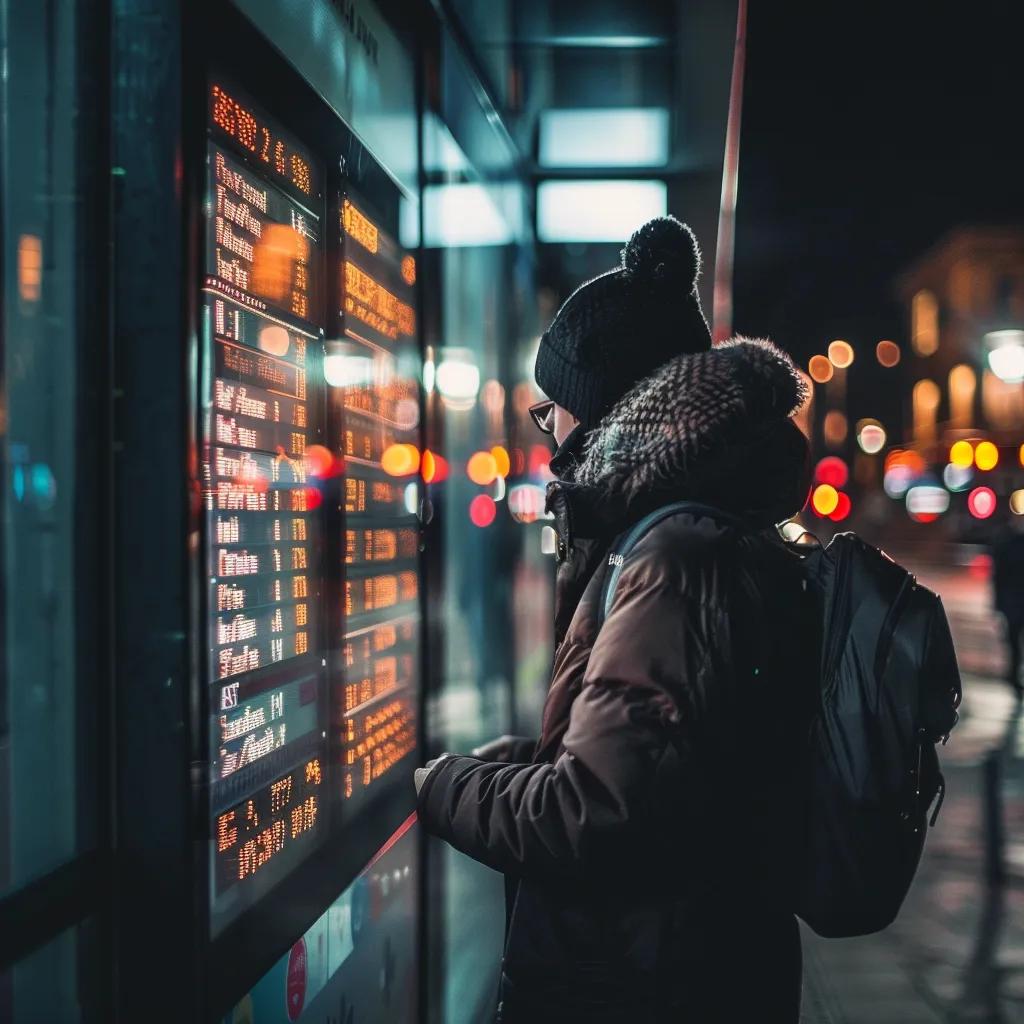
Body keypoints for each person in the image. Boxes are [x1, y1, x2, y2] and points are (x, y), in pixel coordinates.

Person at [414, 216, 818, 1023]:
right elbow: (668, 760)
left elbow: (598, 818)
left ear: (596, 415)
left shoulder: (672, 557)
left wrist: (442, 787)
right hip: (681, 968)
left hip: (645, 985)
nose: (548, 431)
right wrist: (530, 759)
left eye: (551, 410)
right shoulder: (695, 530)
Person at [993, 519, 1024, 695]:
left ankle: (1013, 675)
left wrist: (998, 604)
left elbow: (998, 578)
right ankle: (1013, 675)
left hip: (1012, 602)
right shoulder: (1008, 544)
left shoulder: (1006, 544)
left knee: (1013, 641)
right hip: (1015, 601)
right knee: (1014, 641)